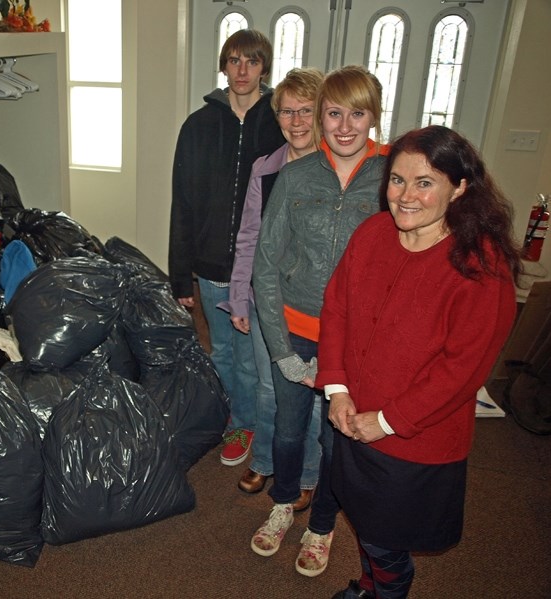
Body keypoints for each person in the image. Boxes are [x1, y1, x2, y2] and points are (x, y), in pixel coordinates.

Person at [319, 125, 521, 599]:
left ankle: (385, 591)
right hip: (354, 419)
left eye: (424, 183)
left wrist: (389, 421)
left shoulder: (480, 266)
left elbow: (462, 370)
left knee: (386, 543)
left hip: (415, 442)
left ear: (460, 188)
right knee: (368, 528)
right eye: (397, 180)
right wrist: (337, 388)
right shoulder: (372, 233)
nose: (405, 196)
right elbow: (337, 309)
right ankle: (370, 588)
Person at [250, 65, 388, 578]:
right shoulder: (295, 175)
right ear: (321, 116)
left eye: (358, 113)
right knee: (287, 431)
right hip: (296, 331)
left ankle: (323, 526)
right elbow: (265, 265)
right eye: (334, 113)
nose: (345, 125)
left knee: (337, 441)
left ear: (374, 115)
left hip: (354, 345)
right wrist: (283, 352)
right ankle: (283, 502)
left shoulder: (392, 177)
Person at [168, 29, 285, 467]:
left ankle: (250, 423)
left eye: (252, 62)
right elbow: (183, 203)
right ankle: (233, 420)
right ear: (223, 65)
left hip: (261, 269)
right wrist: (181, 274)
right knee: (223, 355)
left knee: (256, 361)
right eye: (234, 60)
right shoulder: (198, 126)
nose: (242, 70)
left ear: (263, 68)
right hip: (212, 266)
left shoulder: (279, 123)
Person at [219, 67, 325, 501]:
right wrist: (239, 298)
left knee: (311, 395)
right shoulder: (266, 168)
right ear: (276, 116)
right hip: (268, 300)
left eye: (306, 111)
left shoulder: (338, 174)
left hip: (316, 308)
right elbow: (248, 238)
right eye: (287, 112)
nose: (297, 122)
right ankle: (263, 461)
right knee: (268, 387)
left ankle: (306, 477)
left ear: (322, 114)